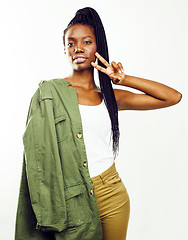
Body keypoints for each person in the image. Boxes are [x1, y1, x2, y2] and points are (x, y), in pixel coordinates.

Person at [15, 7, 182, 240]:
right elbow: (39, 155)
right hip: (72, 196)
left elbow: (172, 97)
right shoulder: (50, 94)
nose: (78, 48)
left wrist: (123, 79)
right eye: (71, 43)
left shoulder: (109, 97)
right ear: (64, 48)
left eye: (87, 41)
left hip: (111, 191)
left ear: (97, 48)